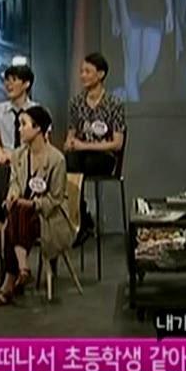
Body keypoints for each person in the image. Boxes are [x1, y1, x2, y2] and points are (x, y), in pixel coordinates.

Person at [0, 106, 73, 307]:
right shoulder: (19, 155)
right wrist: (13, 195)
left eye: (23, 124)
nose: (19, 129)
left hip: (48, 217)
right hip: (23, 218)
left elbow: (55, 199)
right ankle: (22, 270)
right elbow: (15, 183)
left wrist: (32, 203)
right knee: (17, 213)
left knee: (17, 216)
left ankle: (9, 283)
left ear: (38, 128)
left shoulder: (56, 159)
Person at [64, 53, 126, 242]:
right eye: (81, 71)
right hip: (79, 157)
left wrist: (85, 145)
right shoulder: (76, 103)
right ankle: (80, 219)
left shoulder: (114, 104)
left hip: (103, 157)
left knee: (86, 162)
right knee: (70, 162)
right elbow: (71, 135)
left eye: (87, 71)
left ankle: (81, 222)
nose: (82, 75)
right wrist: (70, 143)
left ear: (100, 74)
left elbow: (117, 143)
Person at [0, 61, 35, 217]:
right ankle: (2, 218)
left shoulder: (37, 110)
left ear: (26, 84)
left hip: (29, 159)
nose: (8, 85)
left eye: (14, 80)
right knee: (2, 172)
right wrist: (2, 155)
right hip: (4, 159)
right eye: (7, 80)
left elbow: (43, 143)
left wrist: (16, 156)